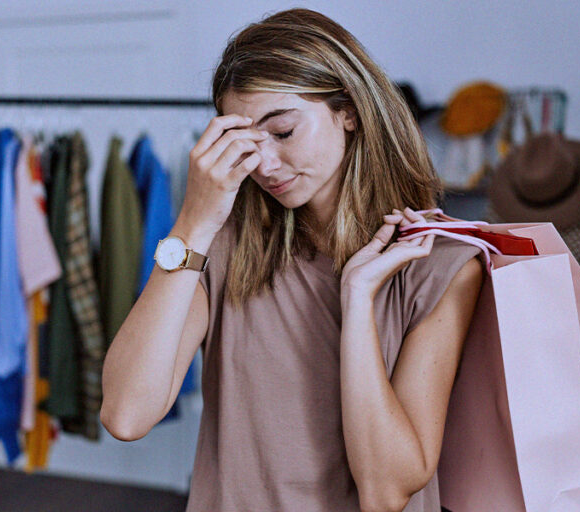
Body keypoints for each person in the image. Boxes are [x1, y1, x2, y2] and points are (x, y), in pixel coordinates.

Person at [101, 8, 484, 512]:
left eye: (282, 132)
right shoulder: (221, 246)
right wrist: (193, 221)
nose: (265, 165)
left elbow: (386, 491)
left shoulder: (441, 264)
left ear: (348, 111)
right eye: (246, 144)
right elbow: (126, 415)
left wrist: (358, 301)